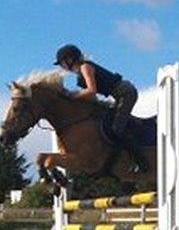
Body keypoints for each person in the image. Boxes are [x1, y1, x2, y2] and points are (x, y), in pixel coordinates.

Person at [53, 44, 148, 172]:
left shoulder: (85, 67)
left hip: (126, 93)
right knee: (107, 123)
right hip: (118, 96)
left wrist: (71, 95)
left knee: (116, 128)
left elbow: (92, 91)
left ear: (70, 60)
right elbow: (92, 99)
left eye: (62, 63)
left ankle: (141, 161)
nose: (61, 66)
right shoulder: (79, 76)